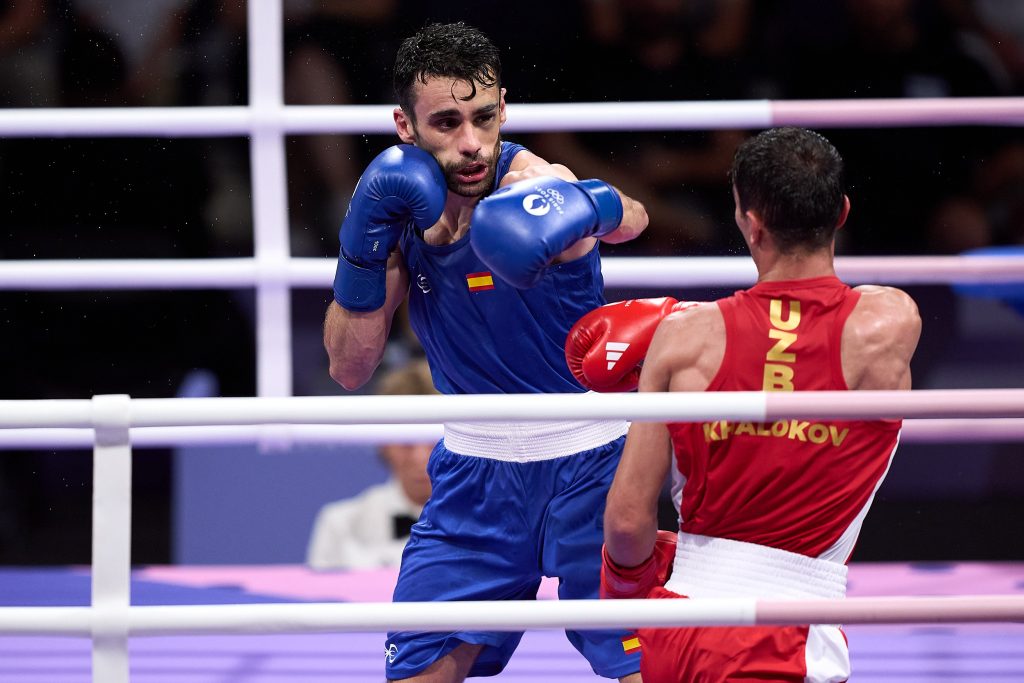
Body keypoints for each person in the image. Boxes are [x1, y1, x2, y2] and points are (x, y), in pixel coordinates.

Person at [322, 22, 648, 683]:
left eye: (484, 118)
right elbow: (349, 367)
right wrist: (362, 250)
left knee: (646, 668)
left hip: (594, 468)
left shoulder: (535, 182)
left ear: (504, 109)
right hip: (473, 476)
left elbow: (634, 218)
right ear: (405, 127)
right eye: (446, 123)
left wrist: (589, 204)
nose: (471, 142)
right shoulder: (398, 214)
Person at [566, 127, 921, 682]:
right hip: (788, 635)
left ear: (749, 223)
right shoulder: (889, 326)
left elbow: (628, 520)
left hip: (682, 625)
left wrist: (627, 592)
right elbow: (830, 313)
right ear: (842, 212)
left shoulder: (683, 343)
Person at [307, 359, 435, 571]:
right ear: (383, 443)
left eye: (434, 440)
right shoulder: (340, 523)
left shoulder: (484, 522)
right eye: (406, 441)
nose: (420, 456)